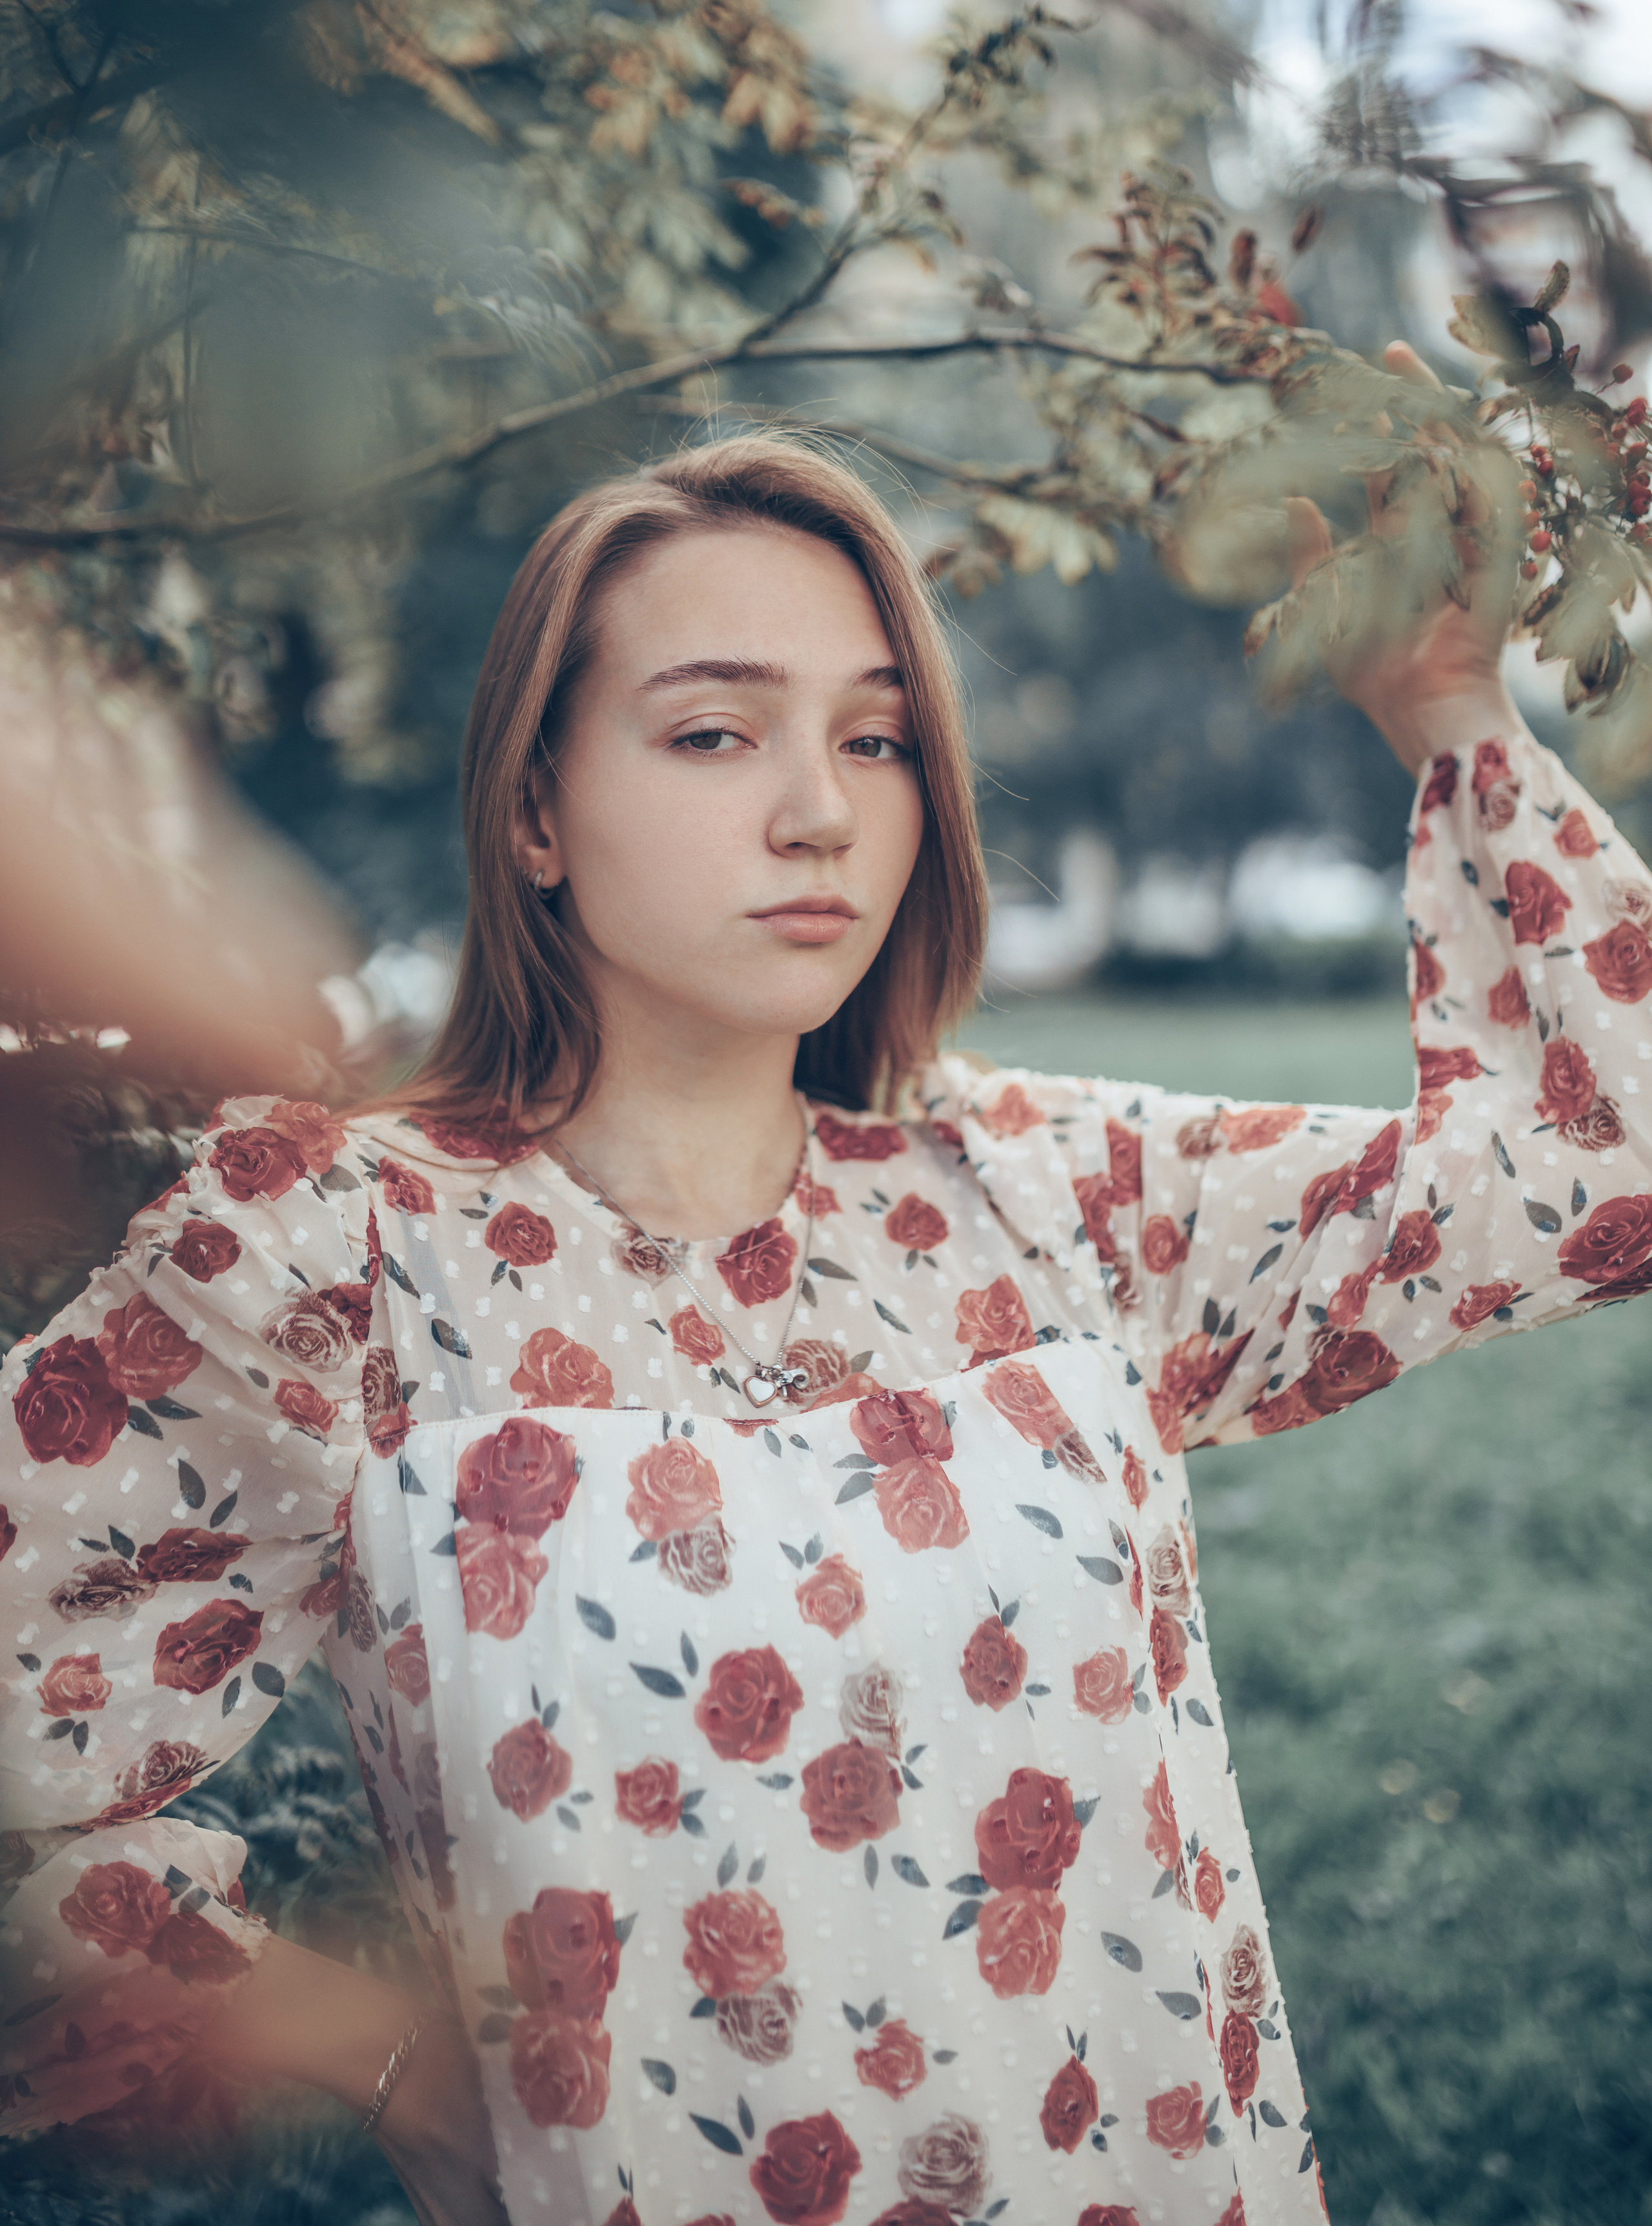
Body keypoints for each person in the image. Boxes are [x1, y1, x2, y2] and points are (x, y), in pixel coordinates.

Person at [3, 352, 1647, 2226]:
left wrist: (1449, 710)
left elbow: (1607, 1170)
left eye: (873, 739)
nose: (822, 812)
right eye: (715, 734)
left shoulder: (1065, 1200)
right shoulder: (332, 1264)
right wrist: (350, 2047)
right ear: (535, 815)